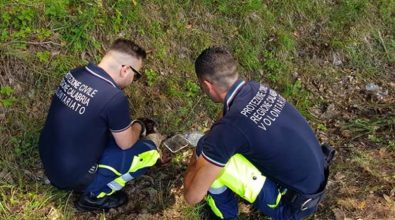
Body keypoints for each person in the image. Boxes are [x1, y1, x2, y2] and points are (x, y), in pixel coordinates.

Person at [183, 46, 334, 219]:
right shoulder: (256, 89)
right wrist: (215, 137)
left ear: (207, 85)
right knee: (216, 147)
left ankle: (227, 215)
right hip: (314, 184)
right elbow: (226, 119)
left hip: (293, 207)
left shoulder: (230, 129)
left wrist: (194, 163)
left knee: (204, 150)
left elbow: (192, 197)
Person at [39, 39, 163, 211]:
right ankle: (94, 196)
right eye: (137, 75)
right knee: (148, 151)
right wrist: (139, 126)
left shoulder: (76, 73)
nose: (134, 79)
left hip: (48, 158)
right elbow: (125, 143)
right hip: (70, 176)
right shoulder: (114, 98)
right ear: (125, 70)